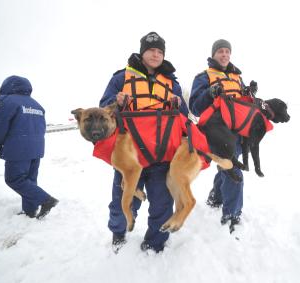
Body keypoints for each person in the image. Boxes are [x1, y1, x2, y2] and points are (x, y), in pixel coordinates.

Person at [99, 31, 189, 253]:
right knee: (122, 202)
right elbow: (103, 108)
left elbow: (185, 117)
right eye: (151, 50)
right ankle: (118, 235)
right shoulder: (120, 78)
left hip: (162, 156)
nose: (156, 55)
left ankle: (154, 244)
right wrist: (115, 101)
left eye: (160, 51)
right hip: (130, 156)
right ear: (142, 52)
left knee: (162, 205)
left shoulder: (172, 84)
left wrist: (179, 104)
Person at [189, 39, 248, 229]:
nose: (224, 55)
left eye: (227, 51)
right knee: (233, 170)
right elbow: (195, 108)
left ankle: (216, 197)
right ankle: (232, 216)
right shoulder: (203, 77)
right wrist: (209, 92)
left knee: (227, 166)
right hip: (217, 134)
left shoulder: (237, 77)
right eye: (220, 51)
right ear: (214, 54)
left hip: (238, 132)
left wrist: (249, 92)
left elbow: (245, 104)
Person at [0, 75, 59, 219]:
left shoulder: (5, 101)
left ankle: (46, 200)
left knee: (14, 179)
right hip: (36, 149)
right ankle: (30, 212)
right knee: (29, 181)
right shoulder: (37, 105)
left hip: (18, 150)